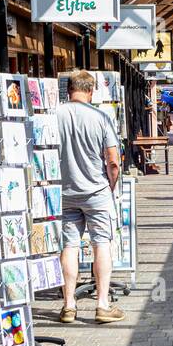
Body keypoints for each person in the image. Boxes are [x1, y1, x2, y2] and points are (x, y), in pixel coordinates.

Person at [56, 70, 124, 324]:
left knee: (69, 246)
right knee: (101, 244)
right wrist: (111, 185)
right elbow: (113, 161)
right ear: (91, 90)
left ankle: (69, 304)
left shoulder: (55, 115)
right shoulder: (101, 117)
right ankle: (102, 304)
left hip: (64, 192)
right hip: (96, 192)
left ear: (68, 89)